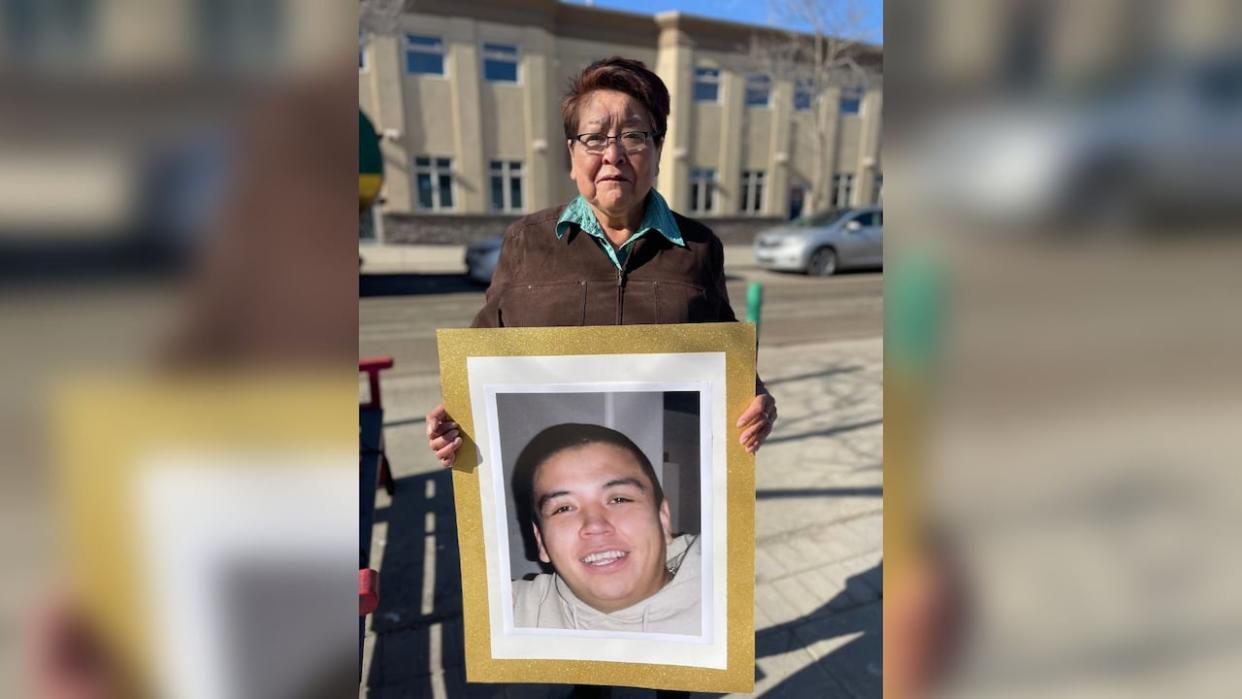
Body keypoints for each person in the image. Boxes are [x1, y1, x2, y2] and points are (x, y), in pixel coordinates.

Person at [426, 56, 777, 464]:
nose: (614, 154)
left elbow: (723, 355)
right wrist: (453, 422)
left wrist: (756, 398)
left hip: (663, 468)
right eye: (594, 138)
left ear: (658, 150)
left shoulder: (699, 247)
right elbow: (480, 360)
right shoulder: (526, 241)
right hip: (553, 467)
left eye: (634, 136)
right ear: (572, 153)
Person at [508, 423, 700, 634]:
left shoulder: (731, 583)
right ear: (541, 541)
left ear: (663, 518)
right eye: (563, 508)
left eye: (619, 499)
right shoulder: (510, 612)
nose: (595, 525)